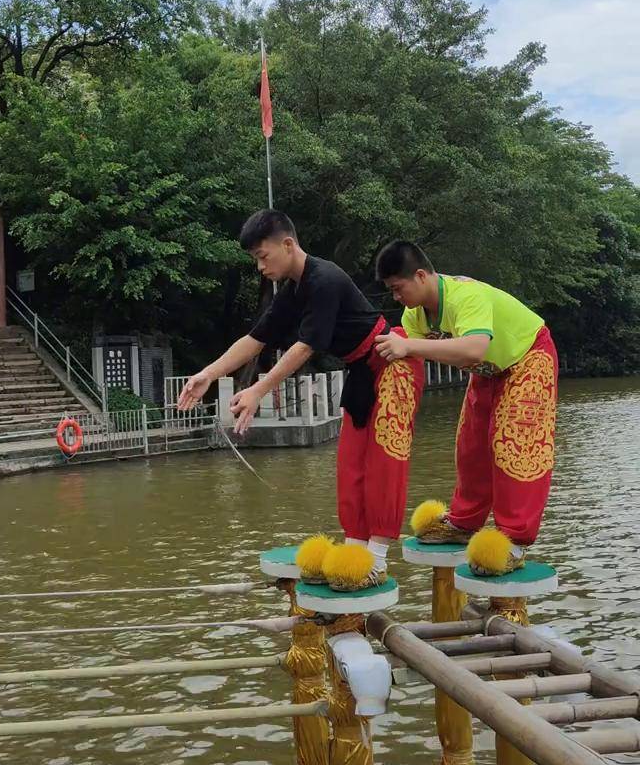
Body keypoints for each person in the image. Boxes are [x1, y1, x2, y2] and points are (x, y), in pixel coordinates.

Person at [178, 210, 424, 589]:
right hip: (361, 371)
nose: (260, 267)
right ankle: (354, 553)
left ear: (288, 244)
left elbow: (306, 346)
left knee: (384, 461)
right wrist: (208, 374)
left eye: (263, 256)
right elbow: (256, 339)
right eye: (255, 259)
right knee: (351, 464)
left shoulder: (324, 279)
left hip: (392, 364)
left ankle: (376, 561)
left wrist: (259, 390)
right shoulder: (293, 291)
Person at [373, 241, 558, 576]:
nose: (396, 297)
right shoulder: (414, 315)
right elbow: (412, 357)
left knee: (515, 445)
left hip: (527, 357)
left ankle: (513, 540)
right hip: (487, 371)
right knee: (470, 443)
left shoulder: (465, 296)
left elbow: (473, 348)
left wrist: (408, 345)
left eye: (398, 288)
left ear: (420, 275)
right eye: (391, 291)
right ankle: (464, 523)